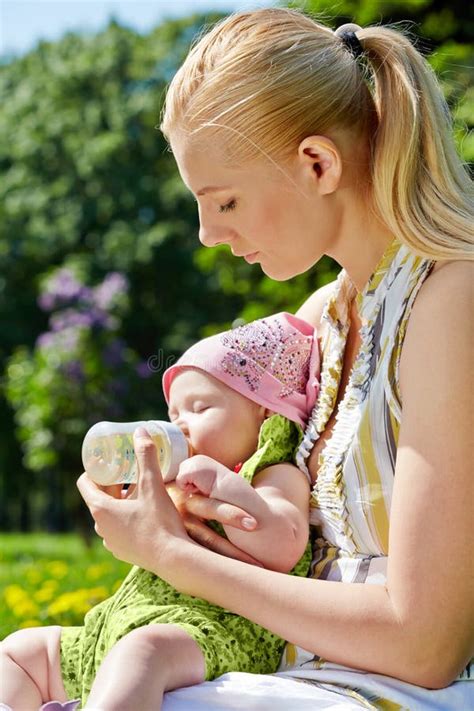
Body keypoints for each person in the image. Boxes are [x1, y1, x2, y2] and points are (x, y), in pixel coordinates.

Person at [4, 5, 472, 709]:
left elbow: (425, 647)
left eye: (222, 200)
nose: (206, 234)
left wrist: (173, 557)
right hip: (306, 669)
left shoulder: (451, 298)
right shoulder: (321, 321)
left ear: (317, 162)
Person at [0, 312, 321, 710]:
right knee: (19, 650)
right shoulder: (173, 482)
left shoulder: (273, 473)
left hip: (209, 629)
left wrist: (223, 484)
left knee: (141, 653)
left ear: (266, 412)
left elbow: (284, 546)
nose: (182, 426)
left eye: (201, 408)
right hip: (119, 624)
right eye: (174, 415)